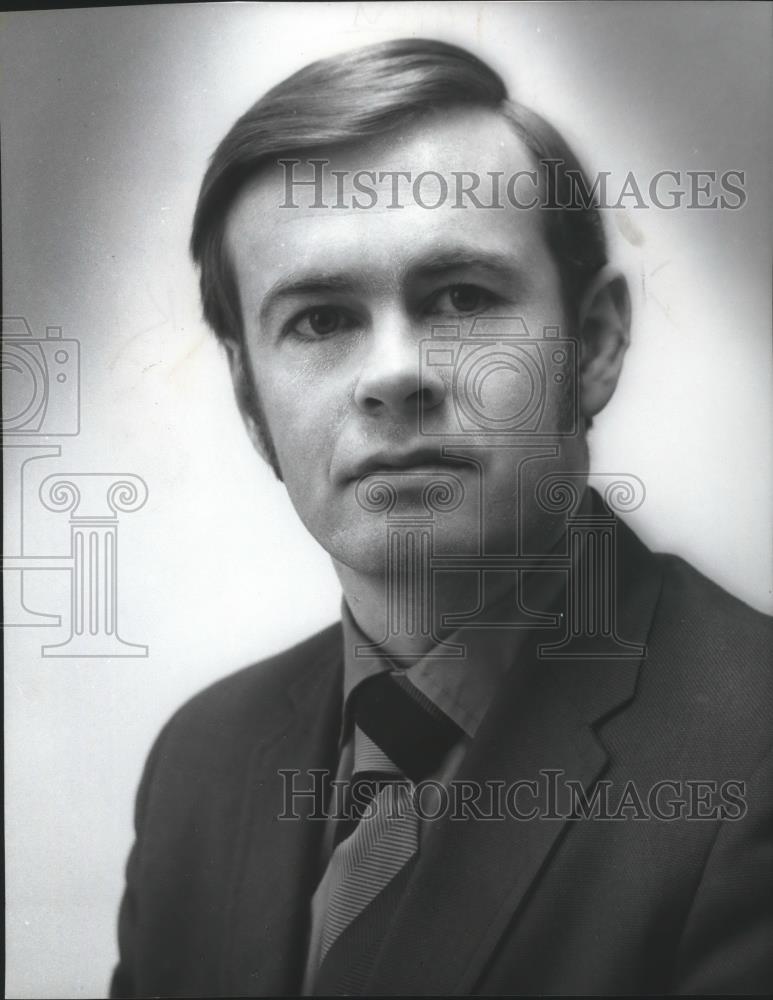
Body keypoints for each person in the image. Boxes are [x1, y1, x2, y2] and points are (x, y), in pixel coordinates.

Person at [110, 38, 772, 997]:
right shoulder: (200, 762)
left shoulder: (753, 754)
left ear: (590, 346)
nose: (392, 376)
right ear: (253, 404)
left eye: (461, 298)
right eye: (322, 319)